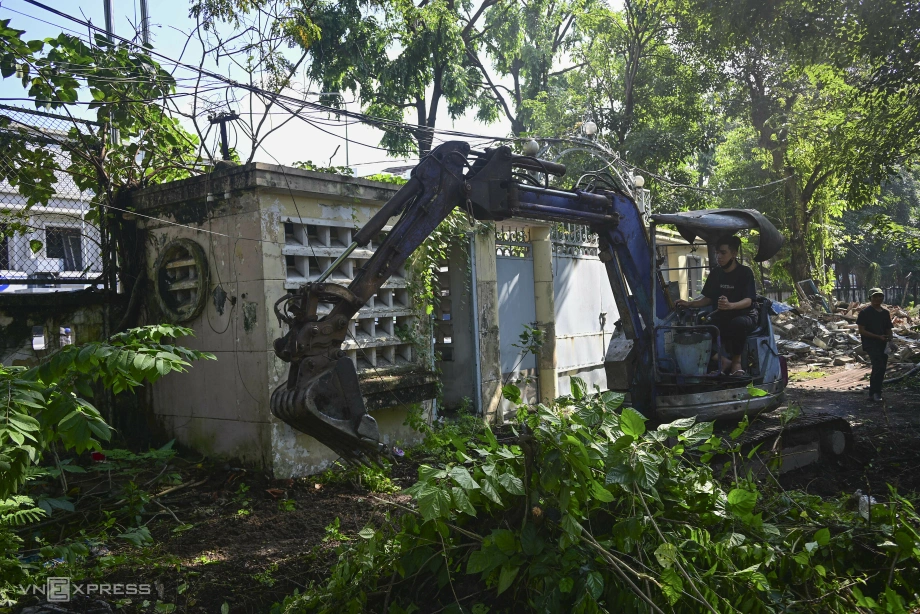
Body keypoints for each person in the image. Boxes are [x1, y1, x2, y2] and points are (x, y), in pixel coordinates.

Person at [676, 235, 758, 376]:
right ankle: (722, 360)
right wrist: (689, 304)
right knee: (699, 329)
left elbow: (749, 300)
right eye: (717, 253)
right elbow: (707, 299)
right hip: (722, 316)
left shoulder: (745, 273)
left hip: (745, 315)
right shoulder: (715, 274)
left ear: (734, 254)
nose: (718, 256)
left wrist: (730, 305)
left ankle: (736, 363)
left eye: (723, 253)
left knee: (738, 324)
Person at [856, 288, 893, 402]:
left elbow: (888, 328)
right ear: (870, 298)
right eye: (875, 296)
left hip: (883, 344)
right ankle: (877, 393)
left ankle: (872, 393)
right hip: (870, 344)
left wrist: (890, 340)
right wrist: (877, 337)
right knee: (879, 366)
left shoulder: (885, 313)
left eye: (880, 296)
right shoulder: (865, 313)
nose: (878, 299)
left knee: (880, 368)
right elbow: (861, 330)